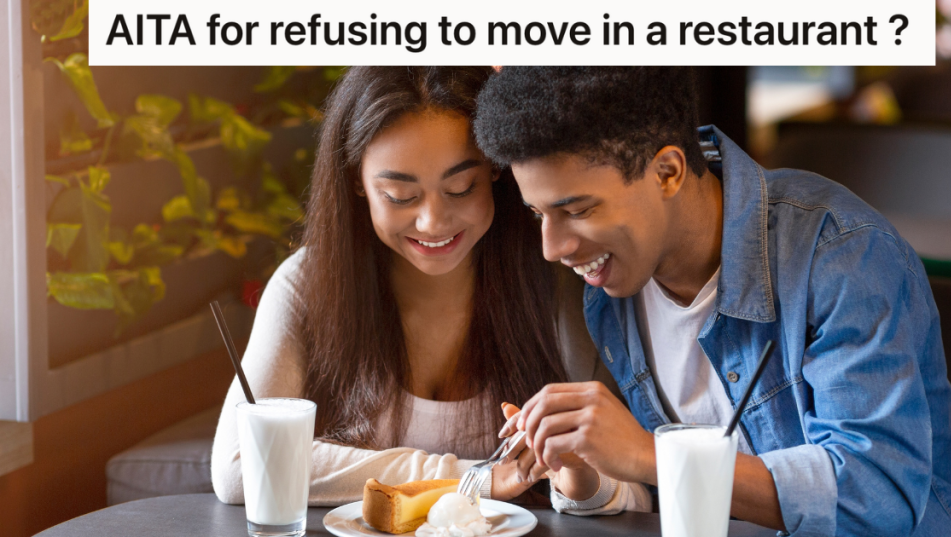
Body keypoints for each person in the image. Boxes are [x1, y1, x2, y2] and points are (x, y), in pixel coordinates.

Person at [473, 67, 951, 536]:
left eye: (578, 209)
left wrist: (651, 455)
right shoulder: (611, 292)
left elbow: (876, 496)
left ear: (668, 172)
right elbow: (674, 503)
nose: (553, 248)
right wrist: (588, 473)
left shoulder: (839, 251)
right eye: (539, 214)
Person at [210, 66, 647, 511]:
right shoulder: (308, 284)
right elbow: (241, 465)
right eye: (400, 196)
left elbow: (634, 498)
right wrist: (474, 478)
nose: (433, 223)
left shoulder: (559, 284)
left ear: (496, 170)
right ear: (357, 182)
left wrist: (579, 476)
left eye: (461, 187)